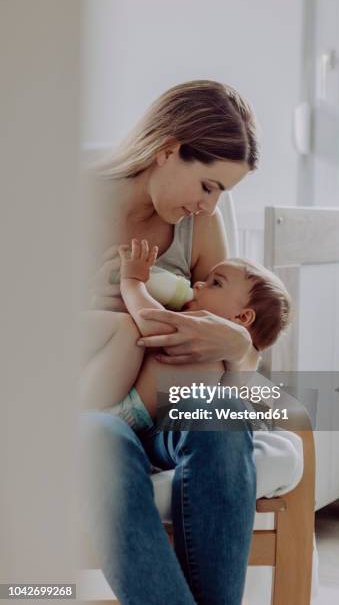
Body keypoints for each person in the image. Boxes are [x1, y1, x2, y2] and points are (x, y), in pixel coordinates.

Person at [80, 80, 264, 604]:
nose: (210, 206)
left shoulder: (198, 227)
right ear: (167, 150)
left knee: (222, 420)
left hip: (164, 410)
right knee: (98, 444)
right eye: (208, 186)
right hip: (87, 409)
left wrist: (233, 343)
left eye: (223, 194)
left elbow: (243, 355)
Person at [85, 237, 291, 434]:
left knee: (124, 327)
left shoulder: (211, 347)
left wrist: (132, 282)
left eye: (216, 283)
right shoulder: (233, 361)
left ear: (242, 316)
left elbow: (152, 322)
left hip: (122, 409)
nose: (198, 284)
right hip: (126, 407)